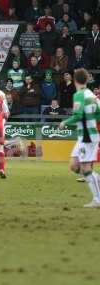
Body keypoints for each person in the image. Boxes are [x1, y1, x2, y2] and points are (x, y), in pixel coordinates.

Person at [59, 68, 100, 208]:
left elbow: (77, 116)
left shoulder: (79, 95)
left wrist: (65, 122)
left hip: (87, 136)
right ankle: (96, 178)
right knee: (74, 166)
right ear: (87, 80)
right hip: (86, 135)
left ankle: (98, 200)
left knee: (85, 168)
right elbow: (99, 114)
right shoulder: (92, 95)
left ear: (75, 80)